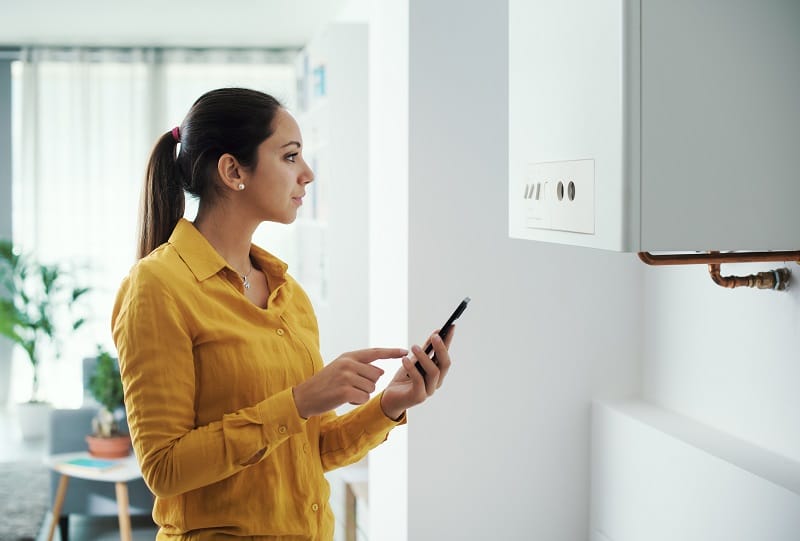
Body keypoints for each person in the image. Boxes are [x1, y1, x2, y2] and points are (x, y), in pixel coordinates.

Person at [111, 87, 454, 540]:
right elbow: (165, 469)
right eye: (290, 156)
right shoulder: (157, 287)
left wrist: (389, 405)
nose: (307, 174)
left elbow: (313, 450)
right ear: (233, 170)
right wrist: (297, 403)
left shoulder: (288, 294)